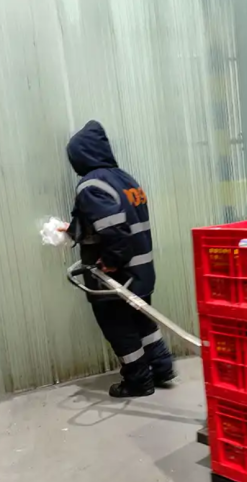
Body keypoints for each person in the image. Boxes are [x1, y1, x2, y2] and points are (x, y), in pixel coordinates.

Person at [65, 120, 175, 398]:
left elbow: (114, 229)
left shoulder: (90, 185)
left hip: (115, 276)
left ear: (81, 155)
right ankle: (161, 368)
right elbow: (119, 221)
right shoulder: (125, 179)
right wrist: (73, 229)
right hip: (141, 270)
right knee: (143, 321)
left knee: (119, 328)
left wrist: (112, 261)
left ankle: (139, 380)